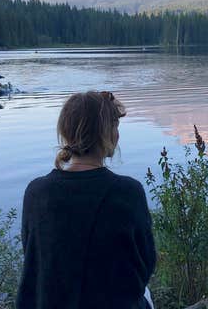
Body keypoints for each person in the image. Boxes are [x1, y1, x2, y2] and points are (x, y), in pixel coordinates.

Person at [17, 91, 156, 309]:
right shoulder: (128, 192)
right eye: (116, 126)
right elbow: (145, 264)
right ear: (108, 133)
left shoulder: (36, 192)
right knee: (145, 294)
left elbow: (34, 258)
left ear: (66, 132)